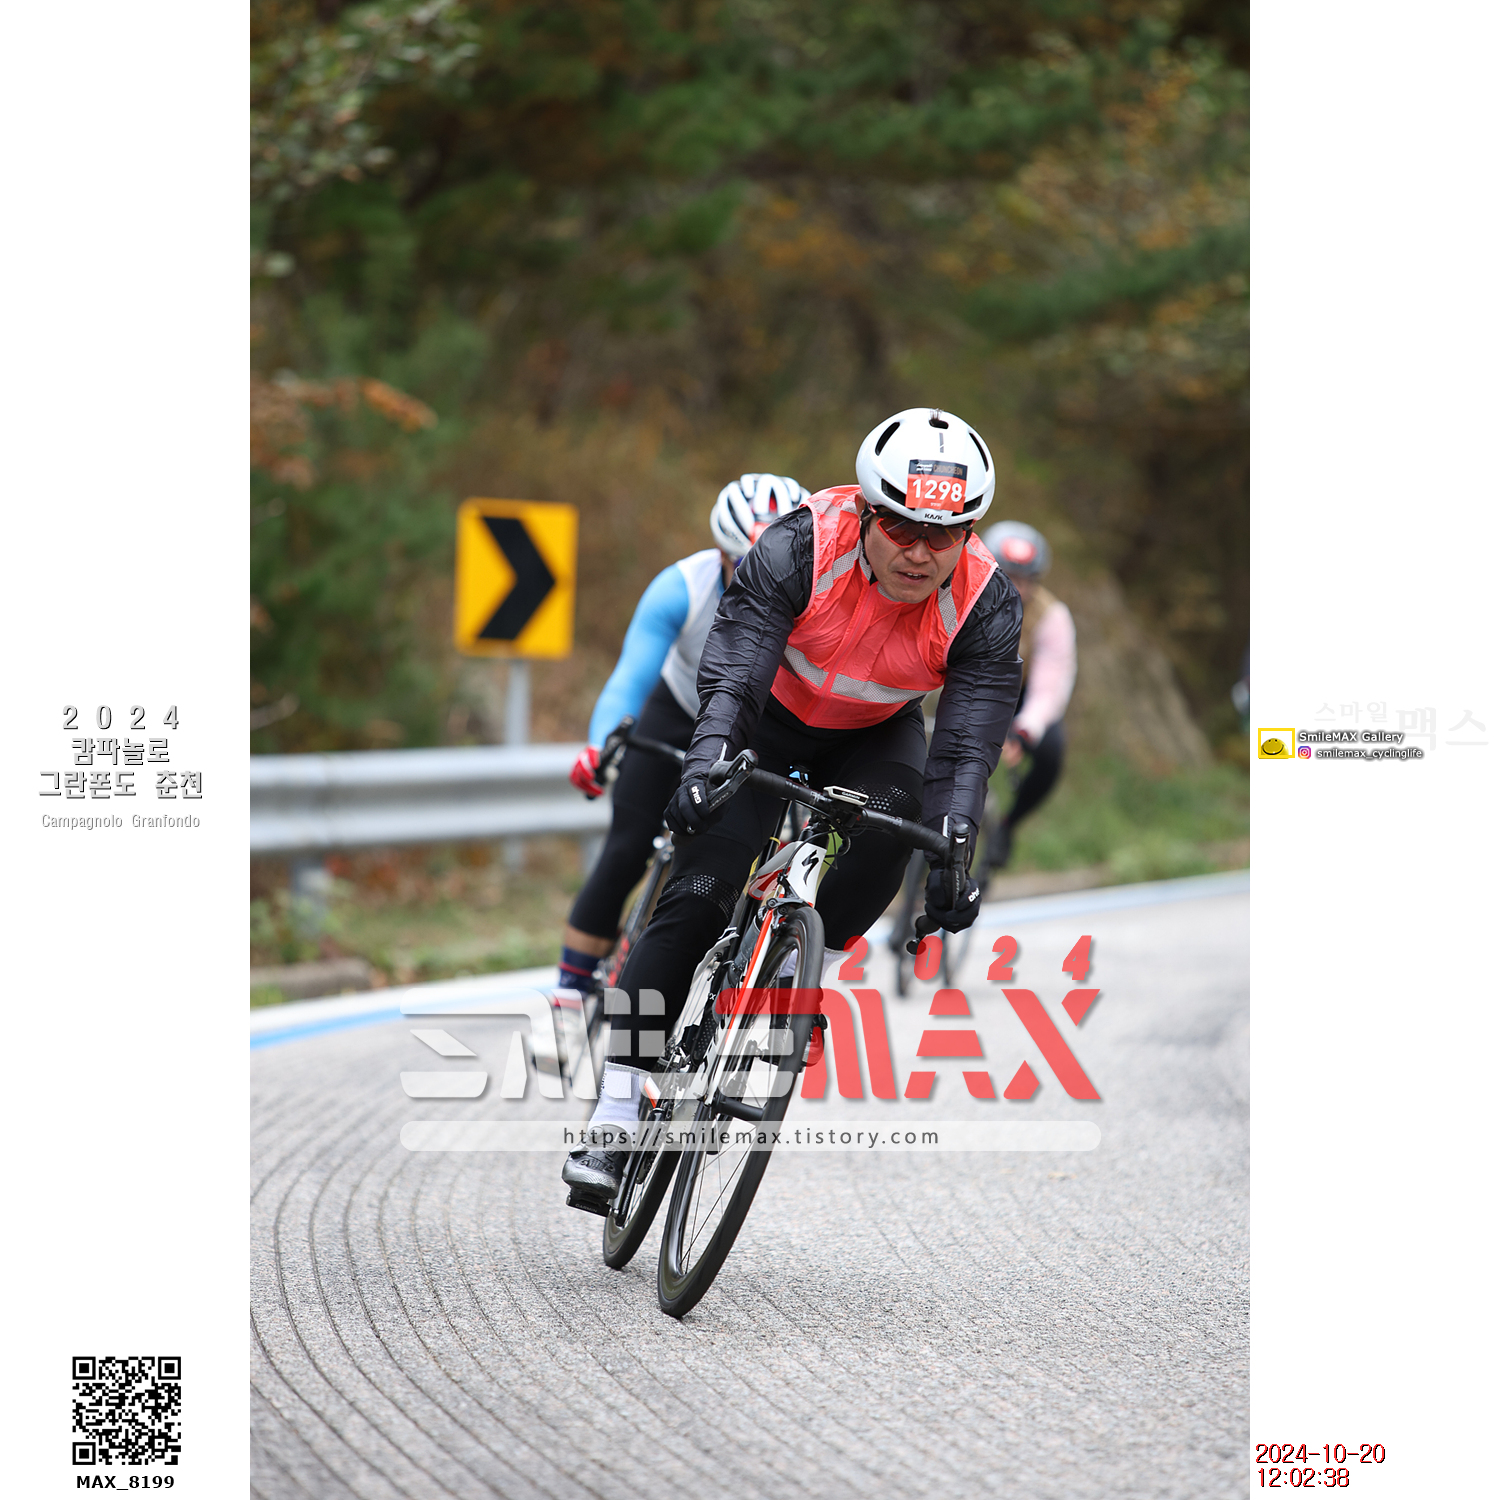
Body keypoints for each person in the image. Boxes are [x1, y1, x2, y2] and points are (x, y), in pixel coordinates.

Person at [563, 407, 1024, 1210]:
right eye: (902, 526)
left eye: (944, 534)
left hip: (875, 732)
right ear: (867, 512)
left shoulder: (986, 601)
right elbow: (735, 673)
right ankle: (614, 1114)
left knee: (902, 823)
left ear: (969, 532)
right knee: (697, 893)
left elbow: (964, 747)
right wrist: (706, 766)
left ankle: (796, 972)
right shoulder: (799, 544)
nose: (920, 551)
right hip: (765, 718)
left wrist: (957, 847)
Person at [556, 474, 811, 994]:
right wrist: (600, 745)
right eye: (744, 566)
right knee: (628, 847)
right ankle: (571, 986)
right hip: (678, 710)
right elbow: (631, 678)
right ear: (721, 555)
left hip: (757, 725)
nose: (758, 580)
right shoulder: (682, 588)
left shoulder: (822, 598)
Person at [977, 520, 1076, 872]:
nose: (1016, 589)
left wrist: (1023, 732)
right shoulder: (964, 595)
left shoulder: (1052, 616)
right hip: (967, 684)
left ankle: (1008, 824)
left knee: (1051, 753)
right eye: (1008, 577)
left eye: (1025, 580)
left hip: (1019, 695)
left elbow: (1050, 686)